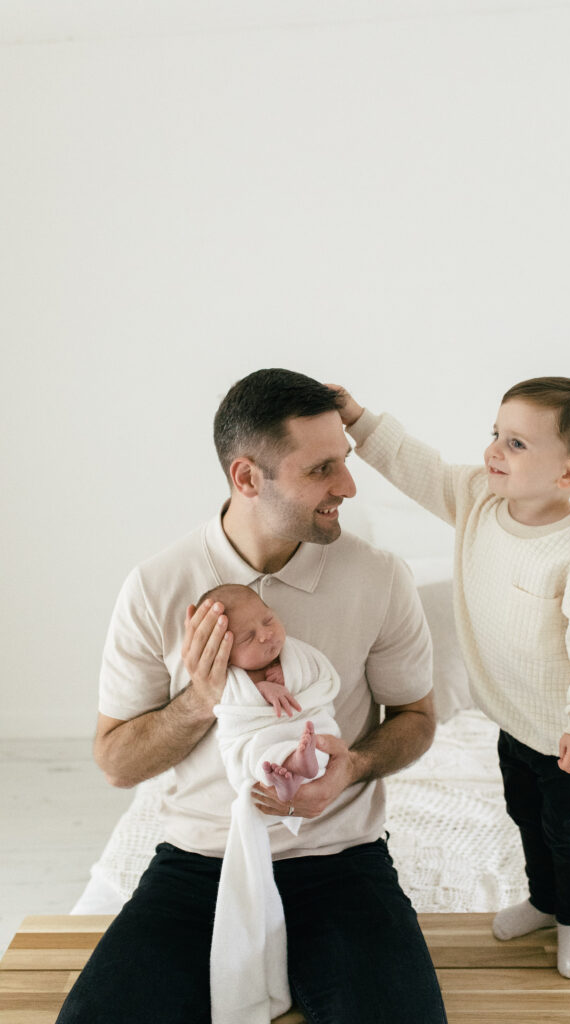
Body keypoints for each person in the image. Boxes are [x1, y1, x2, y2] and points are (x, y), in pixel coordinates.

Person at [57, 368, 447, 1024]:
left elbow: (415, 716)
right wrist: (197, 699)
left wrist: (350, 766)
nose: (348, 487)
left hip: (341, 860)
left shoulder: (377, 578)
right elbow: (117, 762)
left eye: (344, 463)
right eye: (321, 469)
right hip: (200, 863)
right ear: (246, 478)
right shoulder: (157, 586)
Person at [335, 376, 570, 980]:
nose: (494, 451)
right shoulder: (479, 499)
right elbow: (419, 467)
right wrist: (358, 418)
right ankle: (544, 900)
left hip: (569, 735)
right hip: (513, 720)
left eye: (517, 444)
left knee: (567, 833)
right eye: (495, 434)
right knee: (526, 816)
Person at [203, 583, 341, 1024]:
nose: (266, 636)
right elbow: (232, 708)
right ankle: (282, 773)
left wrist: (288, 682)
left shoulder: (296, 657)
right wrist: (262, 690)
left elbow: (319, 685)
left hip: (307, 726)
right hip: (256, 734)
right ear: (224, 655)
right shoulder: (237, 680)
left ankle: (300, 761)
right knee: (262, 755)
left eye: (268, 619)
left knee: (313, 741)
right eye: (248, 638)